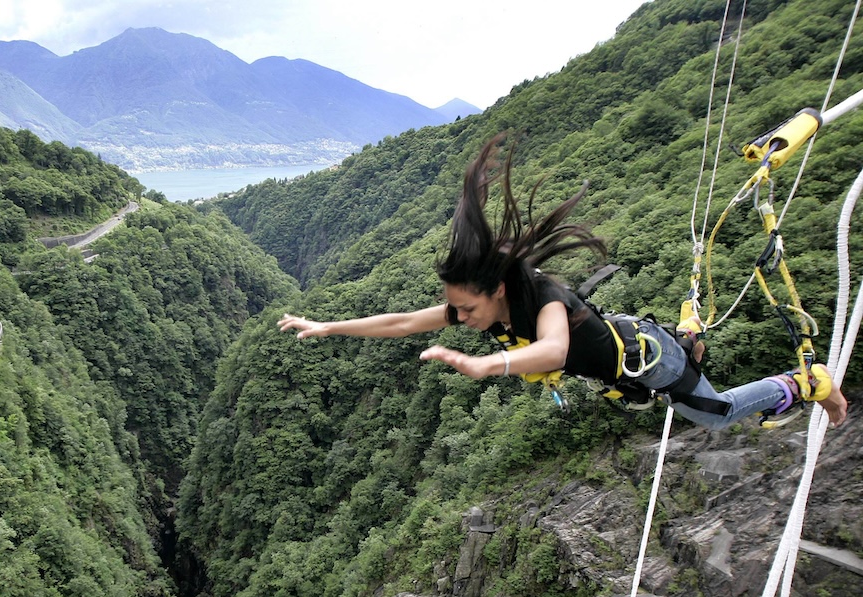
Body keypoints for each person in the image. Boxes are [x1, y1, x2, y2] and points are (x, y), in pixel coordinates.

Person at [277, 134, 848, 431]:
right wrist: (327, 326)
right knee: (679, 382)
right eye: (455, 309)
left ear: (497, 289)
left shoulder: (547, 301)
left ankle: (806, 384)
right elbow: (402, 322)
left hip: (653, 364)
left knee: (715, 414)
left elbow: (554, 348)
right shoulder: (482, 306)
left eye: (465, 308)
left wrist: (487, 365)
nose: (460, 318)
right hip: (630, 354)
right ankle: (688, 329)